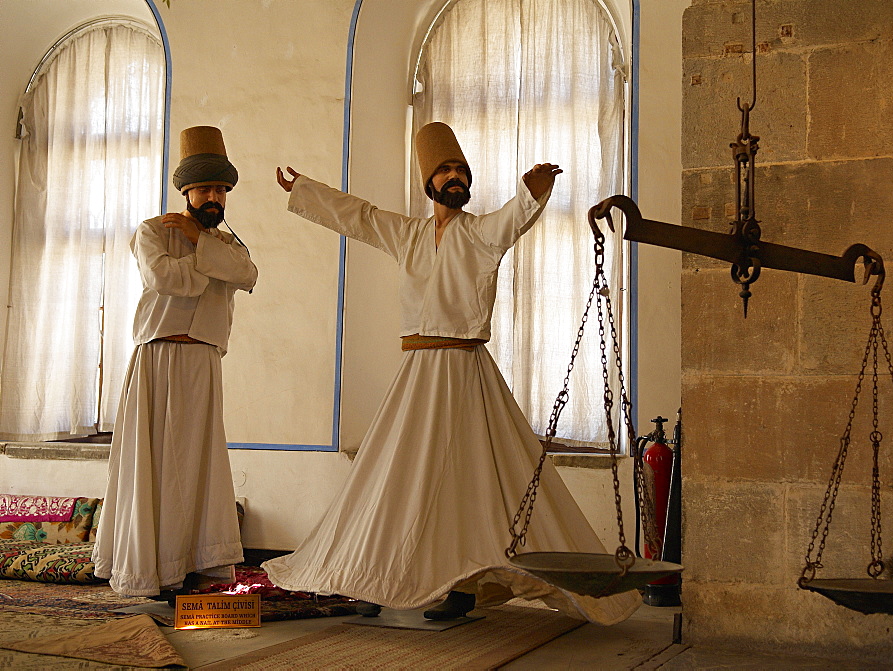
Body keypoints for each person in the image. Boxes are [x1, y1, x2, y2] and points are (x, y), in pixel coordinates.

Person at [262, 122, 641, 625]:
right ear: (430, 183)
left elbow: (511, 219)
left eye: (461, 170)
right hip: (418, 373)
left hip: (466, 372)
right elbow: (361, 218)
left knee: (469, 479)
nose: (455, 177)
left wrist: (531, 193)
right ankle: (370, 575)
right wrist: (306, 190)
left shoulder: (480, 234)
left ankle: (462, 581)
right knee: (394, 477)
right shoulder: (410, 235)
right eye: (445, 171)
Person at [93, 126, 258, 598]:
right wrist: (207, 258)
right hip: (158, 358)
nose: (213, 196)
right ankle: (149, 568)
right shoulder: (151, 231)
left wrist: (202, 245)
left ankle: (195, 564)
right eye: (204, 188)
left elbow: (246, 274)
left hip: (204, 361)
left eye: (220, 189)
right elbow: (166, 280)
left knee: (198, 464)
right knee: (155, 463)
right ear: (186, 191)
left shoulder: (230, 245)